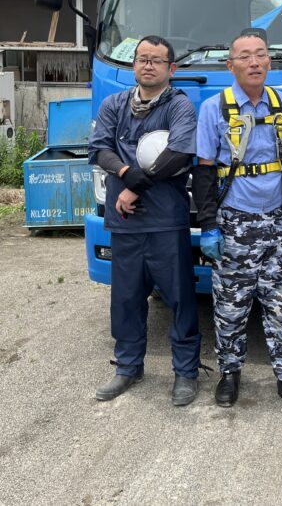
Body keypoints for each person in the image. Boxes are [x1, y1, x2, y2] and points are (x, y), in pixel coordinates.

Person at [192, 28, 282, 417]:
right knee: (231, 305)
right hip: (234, 222)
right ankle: (229, 373)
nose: (254, 62)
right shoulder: (215, 108)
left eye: (260, 54)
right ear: (230, 65)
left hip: (277, 221)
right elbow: (204, 172)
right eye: (245, 56)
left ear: (270, 61)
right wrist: (209, 226)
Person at [88, 35, 201, 406]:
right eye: (141, 59)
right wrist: (123, 169)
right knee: (126, 298)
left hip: (166, 221)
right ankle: (128, 367)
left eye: (156, 60)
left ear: (172, 68)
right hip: (125, 224)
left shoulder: (179, 106)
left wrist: (134, 187)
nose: (147, 65)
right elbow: (99, 148)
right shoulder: (113, 104)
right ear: (133, 65)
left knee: (180, 297)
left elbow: (180, 152)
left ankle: (185, 372)